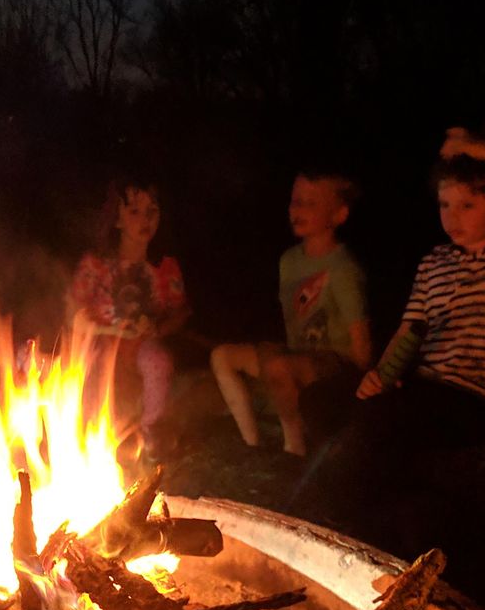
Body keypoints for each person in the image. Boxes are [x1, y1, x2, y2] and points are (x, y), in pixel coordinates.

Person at [290, 128, 485, 555]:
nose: (452, 217)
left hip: (473, 398)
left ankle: (349, 528)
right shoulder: (434, 262)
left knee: (381, 426)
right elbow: (408, 329)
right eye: (445, 204)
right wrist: (380, 375)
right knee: (320, 399)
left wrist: (479, 147)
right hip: (420, 388)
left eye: (468, 205)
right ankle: (379, 509)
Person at [210, 172, 371, 455]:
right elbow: (291, 323)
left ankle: (294, 446)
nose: (298, 210)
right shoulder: (289, 261)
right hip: (297, 355)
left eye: (310, 203)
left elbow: (360, 338)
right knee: (223, 356)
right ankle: (252, 445)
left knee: (279, 366)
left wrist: (362, 384)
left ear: (339, 214)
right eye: (295, 201)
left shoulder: (343, 268)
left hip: (334, 364)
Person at [67, 178, 189, 458]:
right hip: (100, 340)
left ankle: (149, 433)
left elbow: (179, 312)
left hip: (142, 342)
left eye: (152, 211)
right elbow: (74, 307)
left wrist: (157, 328)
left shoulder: (164, 267)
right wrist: (91, 327)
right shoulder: (96, 264)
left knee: (158, 362)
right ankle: (88, 435)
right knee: (92, 366)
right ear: (117, 219)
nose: (145, 219)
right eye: (135, 211)